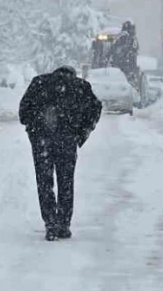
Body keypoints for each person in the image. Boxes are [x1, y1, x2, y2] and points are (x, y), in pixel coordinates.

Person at [18, 66, 103, 241]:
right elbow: (96, 108)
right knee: (66, 182)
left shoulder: (39, 83)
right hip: (67, 140)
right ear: (72, 75)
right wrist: (82, 132)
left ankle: (50, 224)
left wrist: (34, 129)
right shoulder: (81, 86)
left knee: (44, 182)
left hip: (42, 141)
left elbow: (23, 112)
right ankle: (63, 224)